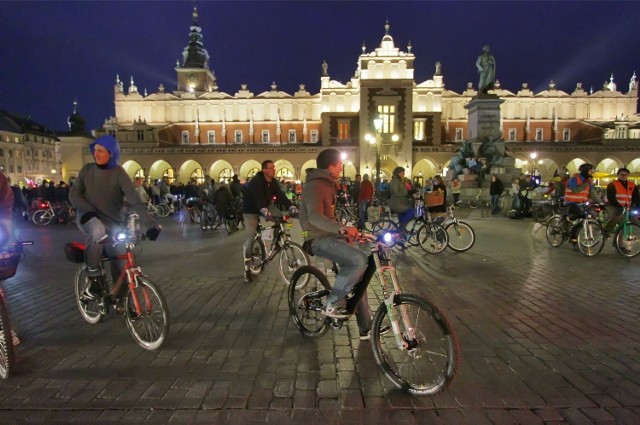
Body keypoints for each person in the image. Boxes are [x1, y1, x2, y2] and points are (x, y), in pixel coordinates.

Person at [299, 148, 386, 340]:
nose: (342, 167)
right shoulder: (315, 185)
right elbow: (314, 216)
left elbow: (331, 216)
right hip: (316, 239)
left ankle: (366, 328)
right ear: (331, 166)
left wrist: (349, 232)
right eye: (340, 164)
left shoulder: (328, 184)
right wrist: (340, 229)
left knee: (359, 275)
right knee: (358, 260)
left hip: (331, 236)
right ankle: (333, 301)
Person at [69, 135, 160, 301]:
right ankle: (93, 277)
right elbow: (73, 195)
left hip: (112, 221)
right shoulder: (87, 170)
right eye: (95, 151)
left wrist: (151, 225)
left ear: (111, 153)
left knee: (120, 258)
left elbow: (135, 200)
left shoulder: (119, 173)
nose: (96, 154)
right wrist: (88, 210)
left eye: (100, 151)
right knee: (98, 229)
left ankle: (122, 301)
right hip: (88, 217)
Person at [242, 160, 296, 282]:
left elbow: (281, 196)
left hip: (266, 206)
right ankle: (247, 269)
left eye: (274, 168)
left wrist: (291, 207)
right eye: (271, 168)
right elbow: (258, 198)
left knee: (281, 218)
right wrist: (265, 212)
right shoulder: (256, 182)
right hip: (251, 209)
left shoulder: (273, 182)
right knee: (249, 238)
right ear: (264, 170)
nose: (274, 170)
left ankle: (275, 242)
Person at [603, 167, 640, 235]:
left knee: (634, 218)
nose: (624, 176)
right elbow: (611, 198)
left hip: (628, 207)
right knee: (616, 218)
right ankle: (606, 231)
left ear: (628, 175)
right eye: (622, 174)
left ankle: (621, 239)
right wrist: (618, 206)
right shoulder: (612, 184)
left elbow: (636, 197)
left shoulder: (632, 185)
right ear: (618, 175)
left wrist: (637, 205)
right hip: (615, 206)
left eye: (626, 174)